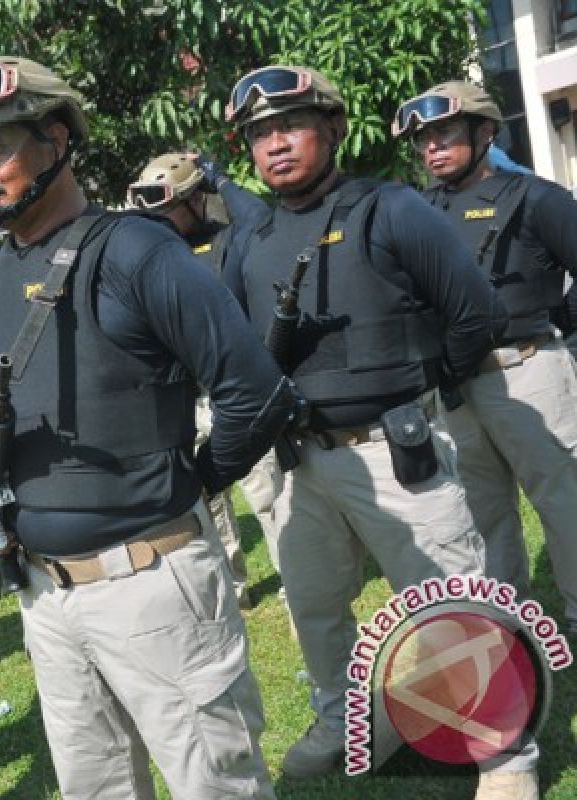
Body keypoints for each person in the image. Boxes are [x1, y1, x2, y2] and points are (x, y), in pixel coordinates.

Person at [0, 56, 293, 798]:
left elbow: (256, 394)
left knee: (216, 785)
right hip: (45, 599)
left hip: (153, 584)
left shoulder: (137, 251)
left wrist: (188, 484)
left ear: (56, 139)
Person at [222, 66, 534, 798]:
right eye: (260, 134)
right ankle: (346, 717)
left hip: (399, 456)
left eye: (291, 125)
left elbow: (476, 316)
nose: (275, 145)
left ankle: (505, 753)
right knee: (317, 610)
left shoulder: (389, 208)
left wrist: (413, 391)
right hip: (304, 463)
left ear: (332, 127)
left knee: (452, 604)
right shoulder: (251, 237)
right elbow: (237, 346)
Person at [394, 81, 577, 635]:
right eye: (422, 139)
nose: (431, 148)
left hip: (526, 372)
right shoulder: (417, 210)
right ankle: (506, 626)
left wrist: (562, 331)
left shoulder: (538, 198)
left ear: (486, 131)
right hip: (454, 388)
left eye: (445, 132)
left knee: (564, 500)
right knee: (483, 513)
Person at [127, 152, 274, 610]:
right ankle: (233, 589)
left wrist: (222, 180)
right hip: (183, 400)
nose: (156, 220)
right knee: (209, 501)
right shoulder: (149, 258)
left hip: (233, 393)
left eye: (166, 207)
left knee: (268, 496)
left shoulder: (229, 240)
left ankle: (296, 579)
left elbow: (262, 219)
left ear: (194, 201)